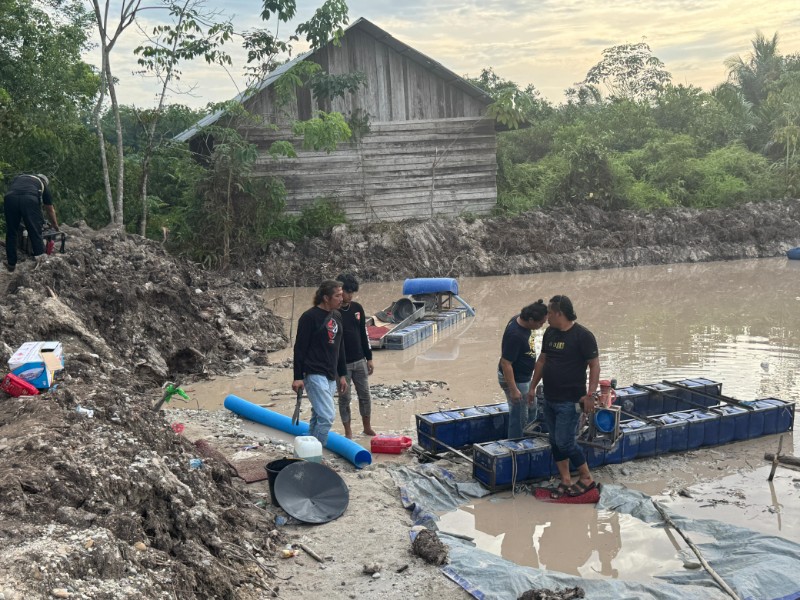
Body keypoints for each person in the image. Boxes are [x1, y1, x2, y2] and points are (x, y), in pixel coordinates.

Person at [531, 295, 600, 498]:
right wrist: (533, 387)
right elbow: (542, 360)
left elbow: (594, 365)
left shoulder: (583, 336)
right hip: (550, 397)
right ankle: (566, 479)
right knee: (554, 441)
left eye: (550, 313)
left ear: (560, 313)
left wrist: (591, 394)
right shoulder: (550, 333)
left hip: (570, 401)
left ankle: (586, 477)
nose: (547, 317)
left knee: (566, 442)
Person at [292, 280, 348, 446]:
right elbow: (299, 349)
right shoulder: (309, 317)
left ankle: (307, 450)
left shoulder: (337, 316)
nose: (341, 298)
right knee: (327, 417)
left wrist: (342, 374)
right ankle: (315, 453)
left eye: (341, 294)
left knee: (318, 416)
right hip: (314, 372)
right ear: (325, 297)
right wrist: (297, 377)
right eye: (337, 295)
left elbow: (340, 347)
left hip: (331, 374)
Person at [497, 299, 548, 438]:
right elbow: (506, 363)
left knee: (532, 408)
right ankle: (516, 445)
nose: (541, 326)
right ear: (530, 320)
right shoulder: (515, 335)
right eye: (540, 323)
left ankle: (529, 437)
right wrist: (513, 390)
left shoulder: (521, 322)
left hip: (524, 378)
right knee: (519, 416)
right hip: (516, 380)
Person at [335, 272, 377, 439]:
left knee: (365, 395)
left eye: (352, 292)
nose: (350, 296)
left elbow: (363, 333)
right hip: (342, 364)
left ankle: (367, 427)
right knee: (344, 398)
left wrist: (369, 357)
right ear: (339, 290)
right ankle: (348, 431)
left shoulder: (357, 309)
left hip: (360, 361)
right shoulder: (334, 312)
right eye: (347, 292)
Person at [3, 173, 59, 272]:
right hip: (29, 199)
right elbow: (49, 209)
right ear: (44, 181)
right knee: (35, 231)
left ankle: (11, 264)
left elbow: (15, 190)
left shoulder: (19, 177)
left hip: (10, 198)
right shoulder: (42, 184)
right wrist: (55, 225)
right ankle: (41, 263)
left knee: (11, 232)